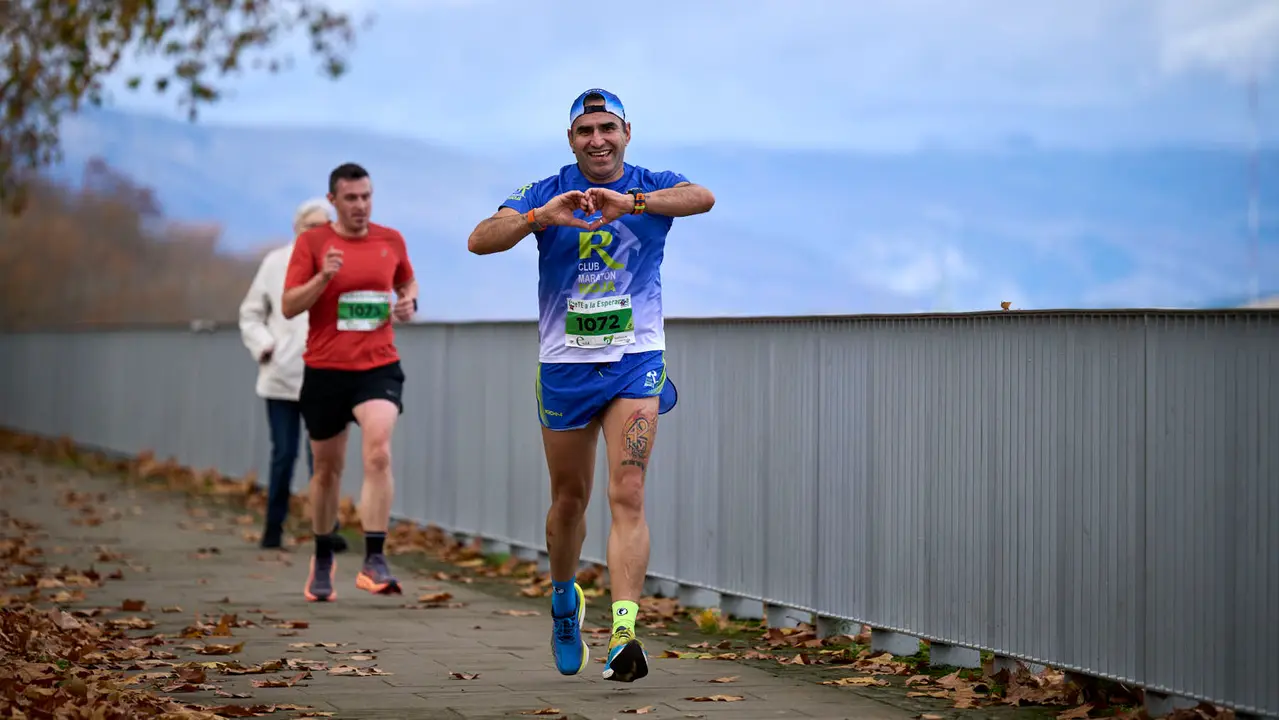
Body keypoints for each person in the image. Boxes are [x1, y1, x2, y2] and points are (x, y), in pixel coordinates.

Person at [465, 88, 715, 683]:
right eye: (585, 130)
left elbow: (701, 197)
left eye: (607, 128)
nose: (597, 140)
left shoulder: (650, 185)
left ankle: (624, 633)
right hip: (566, 367)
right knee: (568, 501)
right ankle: (563, 599)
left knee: (628, 491)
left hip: (636, 360)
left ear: (627, 132)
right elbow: (479, 238)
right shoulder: (545, 190)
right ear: (570, 139)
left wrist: (632, 203)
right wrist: (537, 219)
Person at [281, 162, 418, 603]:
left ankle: (374, 558)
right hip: (326, 370)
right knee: (327, 470)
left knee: (378, 452)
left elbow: (407, 282)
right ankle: (323, 553)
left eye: (366, 197)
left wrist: (408, 303)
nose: (361, 205)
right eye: (351, 198)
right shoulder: (313, 243)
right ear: (333, 201)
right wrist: (323, 277)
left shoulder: (390, 240)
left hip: (378, 366)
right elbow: (288, 305)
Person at [238, 198, 349, 554]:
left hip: (326, 377)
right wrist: (264, 345)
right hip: (282, 376)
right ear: (296, 228)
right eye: (310, 226)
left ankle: (325, 532)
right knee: (284, 455)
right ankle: (273, 527)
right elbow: (250, 313)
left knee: (323, 460)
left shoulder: (341, 262)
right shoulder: (275, 263)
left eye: (325, 226)